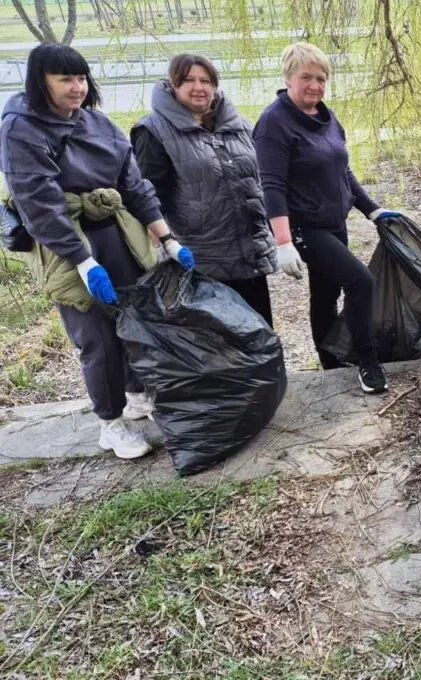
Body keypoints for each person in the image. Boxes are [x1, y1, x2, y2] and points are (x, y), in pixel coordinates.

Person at [0, 43, 195, 459]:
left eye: (81, 78)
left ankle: (138, 393)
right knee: (98, 337)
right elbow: (39, 204)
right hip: (66, 242)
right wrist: (84, 261)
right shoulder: (21, 129)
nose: (76, 87)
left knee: (136, 319)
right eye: (64, 79)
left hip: (117, 234)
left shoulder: (98, 123)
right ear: (40, 82)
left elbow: (135, 185)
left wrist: (169, 238)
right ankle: (110, 422)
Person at [252, 41, 401, 394]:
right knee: (361, 282)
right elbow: (271, 185)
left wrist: (372, 209)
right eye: (307, 77)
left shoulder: (327, 117)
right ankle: (368, 361)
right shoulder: (274, 123)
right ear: (288, 77)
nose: (315, 86)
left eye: (321, 79)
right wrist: (284, 241)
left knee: (325, 293)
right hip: (305, 227)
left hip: (335, 224)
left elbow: (343, 172)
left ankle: (331, 362)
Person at [131, 55, 278, 325]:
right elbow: (149, 197)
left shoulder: (238, 125)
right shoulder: (153, 131)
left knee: (261, 335)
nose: (198, 87)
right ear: (173, 85)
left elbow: (260, 181)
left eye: (205, 80)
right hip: (201, 260)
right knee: (221, 344)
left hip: (248, 254)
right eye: (188, 80)